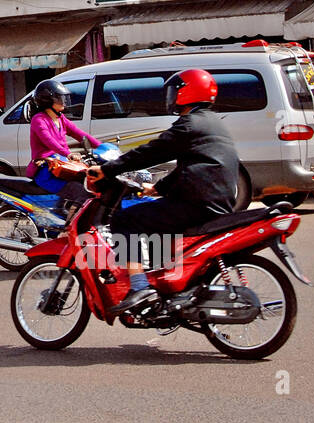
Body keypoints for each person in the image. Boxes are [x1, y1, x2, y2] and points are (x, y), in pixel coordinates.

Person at [85, 69, 238, 315]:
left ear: (186, 92)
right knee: (156, 220)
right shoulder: (212, 123)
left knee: (126, 219)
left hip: (197, 203)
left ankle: (139, 287)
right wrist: (157, 188)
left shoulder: (190, 124)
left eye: (175, 91)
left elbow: (152, 151)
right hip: (215, 200)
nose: (170, 97)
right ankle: (166, 284)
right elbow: (191, 166)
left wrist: (108, 169)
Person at [27, 79, 100, 176]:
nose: (64, 100)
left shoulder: (61, 118)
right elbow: (49, 141)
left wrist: (101, 147)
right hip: (45, 168)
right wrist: (68, 154)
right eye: (59, 98)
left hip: (63, 164)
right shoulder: (38, 120)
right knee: (76, 187)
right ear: (48, 100)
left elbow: (80, 134)